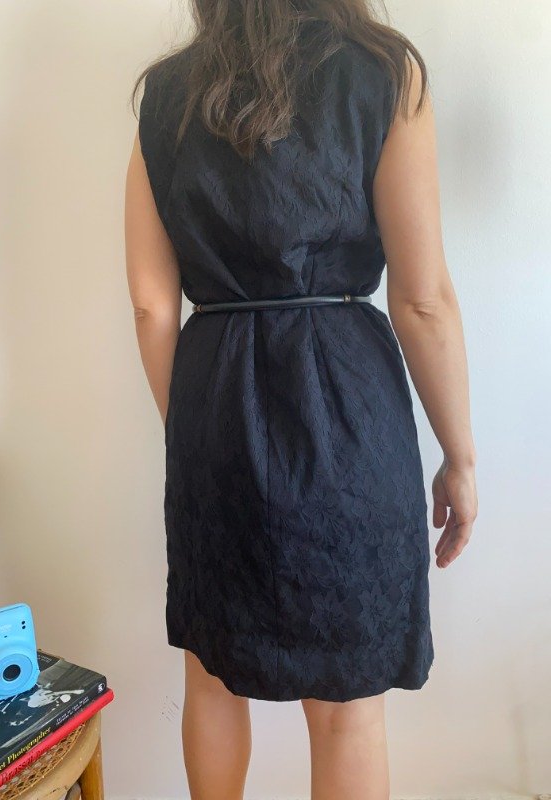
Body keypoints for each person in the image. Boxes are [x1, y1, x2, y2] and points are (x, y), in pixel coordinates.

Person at [124, 1, 478, 797]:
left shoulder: (168, 92)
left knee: (212, 678)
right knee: (347, 707)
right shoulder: (384, 72)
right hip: (346, 412)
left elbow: (150, 305)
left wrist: (195, 430)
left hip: (213, 403)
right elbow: (422, 300)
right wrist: (460, 457)